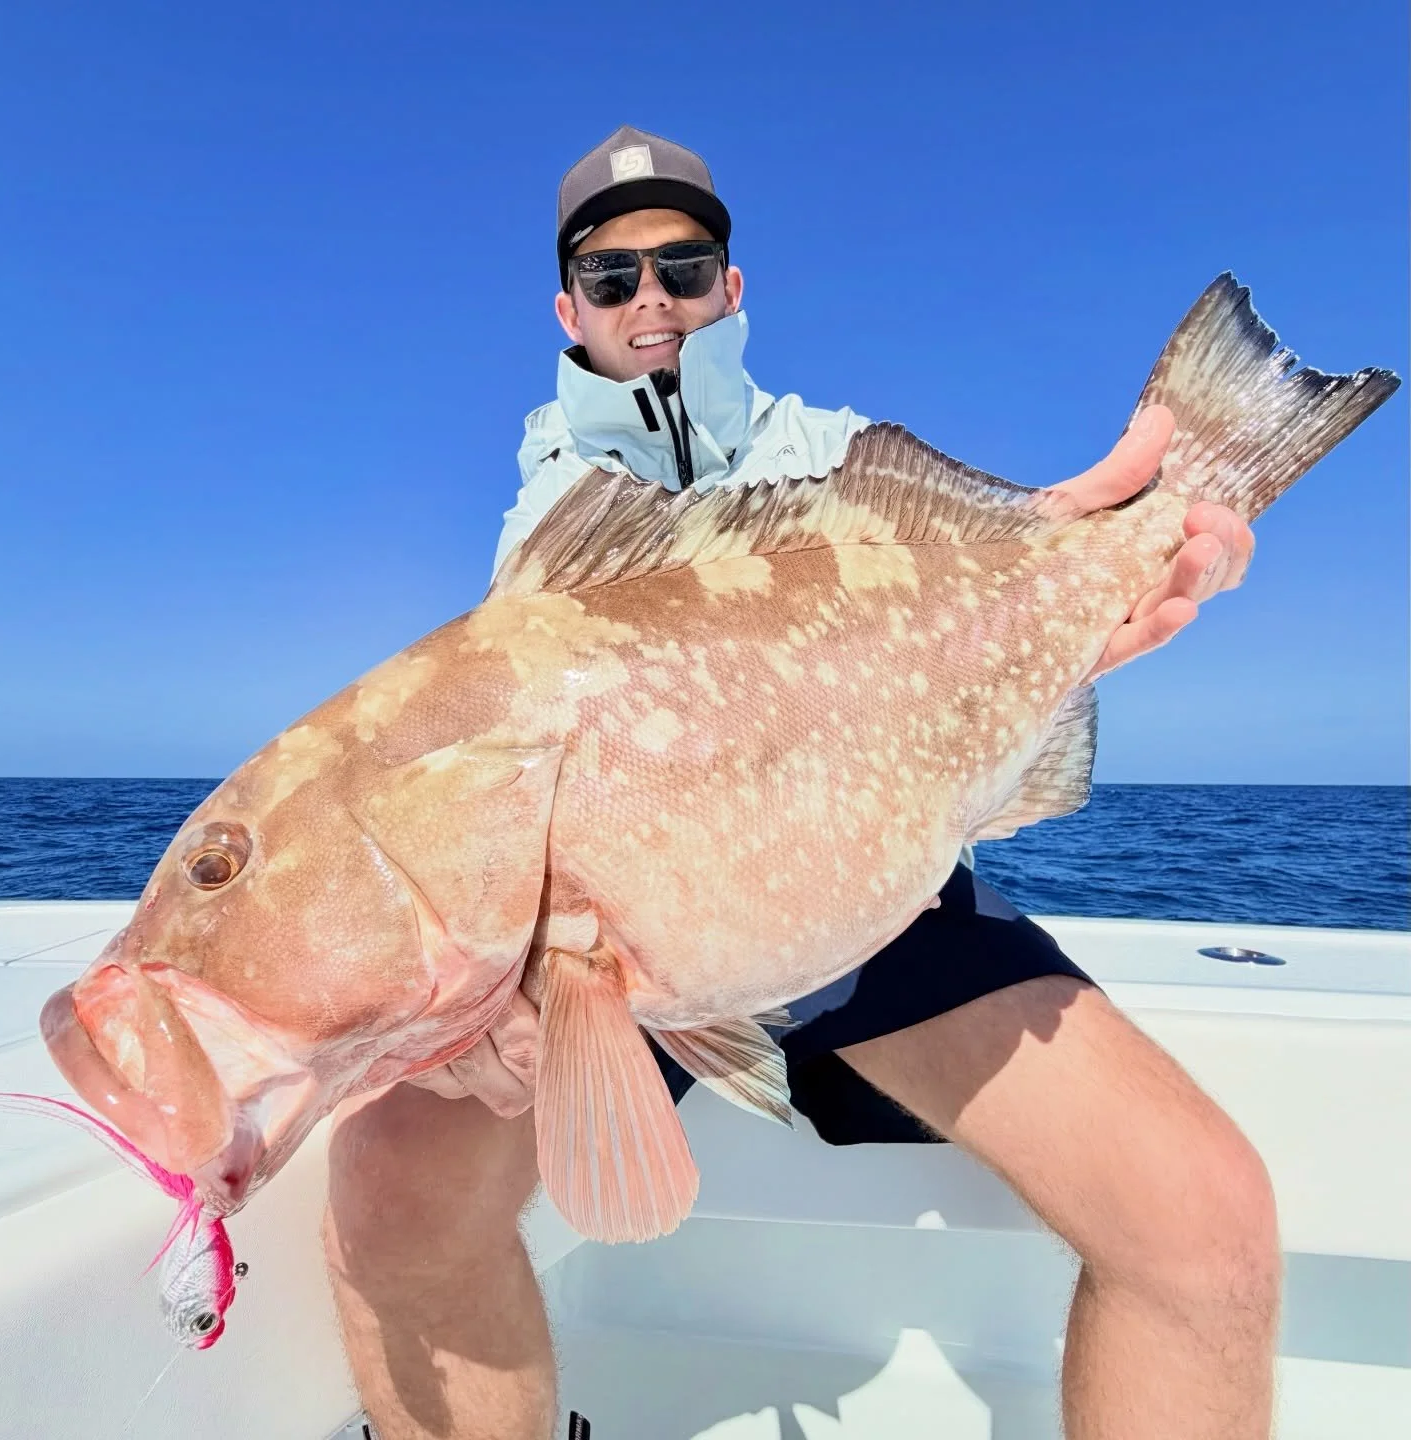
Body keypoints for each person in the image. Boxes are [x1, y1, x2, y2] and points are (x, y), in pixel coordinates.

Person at [324, 127, 1275, 1440]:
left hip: (876, 898)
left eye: (683, 265)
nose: (650, 300)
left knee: (1206, 1217)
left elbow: (988, 578)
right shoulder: (546, 514)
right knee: (386, 1189)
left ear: (732, 287)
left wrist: (1094, 579)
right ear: (568, 307)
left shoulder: (832, 453)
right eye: (612, 277)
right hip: (640, 945)